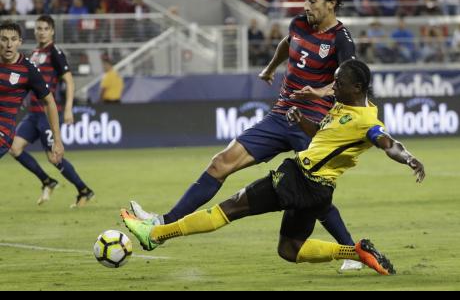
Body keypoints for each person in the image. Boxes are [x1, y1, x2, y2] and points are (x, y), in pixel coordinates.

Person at [130, 0, 362, 271]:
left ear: (331, 5)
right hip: (280, 116)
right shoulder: (299, 24)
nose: (306, 6)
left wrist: (318, 91)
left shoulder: (341, 39)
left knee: (315, 193)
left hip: (312, 122)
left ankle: (352, 253)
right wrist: (270, 68)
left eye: (312, 2)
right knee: (220, 163)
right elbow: (288, 43)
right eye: (305, 0)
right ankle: (162, 224)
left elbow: (348, 79)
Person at [121, 59, 425, 276]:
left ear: (357, 86)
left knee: (227, 210)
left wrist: (409, 158)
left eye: (339, 81)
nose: (334, 85)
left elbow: (387, 142)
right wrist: (301, 121)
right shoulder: (344, 105)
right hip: (318, 192)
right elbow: (322, 136)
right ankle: (355, 251)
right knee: (289, 251)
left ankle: (156, 235)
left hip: (298, 179)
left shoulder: (368, 120)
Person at [8, 15, 94, 208]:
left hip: (47, 115)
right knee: (14, 148)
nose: (41, 31)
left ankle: (84, 190)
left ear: (52, 31)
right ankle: (47, 181)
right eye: (38, 28)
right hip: (32, 114)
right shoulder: (35, 53)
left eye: (45, 28)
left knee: (54, 157)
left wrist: (69, 108)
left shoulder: (55, 52)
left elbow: (69, 81)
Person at [0, 20, 64, 164]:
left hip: (3, 132)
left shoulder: (28, 69)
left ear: (19, 42)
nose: (9, 44)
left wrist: (57, 139)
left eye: (13, 39)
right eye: (4, 39)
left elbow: (49, 101)